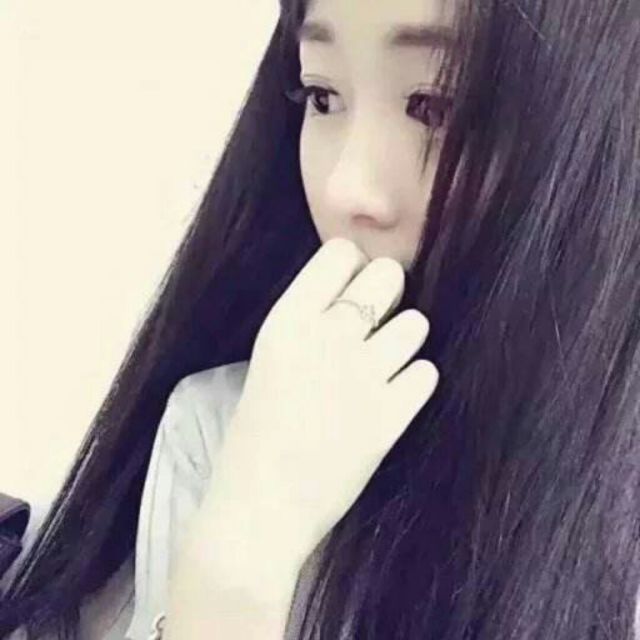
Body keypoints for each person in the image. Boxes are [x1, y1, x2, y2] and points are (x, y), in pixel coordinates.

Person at [2, 0, 640, 637]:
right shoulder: (227, 430)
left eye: (433, 106)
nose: (343, 187)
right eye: (322, 96)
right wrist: (240, 560)